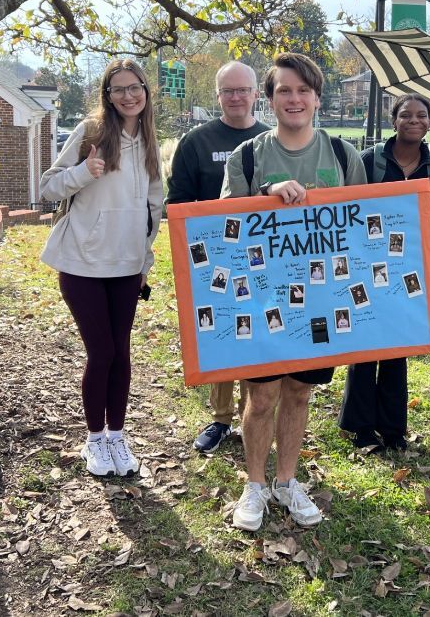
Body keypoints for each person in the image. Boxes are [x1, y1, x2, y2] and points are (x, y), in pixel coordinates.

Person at [222, 52, 367, 531]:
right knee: (261, 397)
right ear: (269, 100)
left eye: (303, 90)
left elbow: (363, 229)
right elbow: (222, 227)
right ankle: (255, 485)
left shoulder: (344, 156)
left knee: (300, 393)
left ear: (317, 98)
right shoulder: (249, 156)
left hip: (321, 301)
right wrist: (265, 196)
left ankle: (287, 481)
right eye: (284, 90)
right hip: (261, 298)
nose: (294, 98)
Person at [40, 58, 163, 478]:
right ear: (107, 96)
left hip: (127, 264)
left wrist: (144, 259)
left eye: (135, 87)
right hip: (82, 261)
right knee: (102, 352)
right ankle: (95, 439)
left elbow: (153, 207)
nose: (129, 96)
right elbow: (47, 187)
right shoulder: (91, 133)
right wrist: (82, 172)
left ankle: (117, 436)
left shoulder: (149, 139)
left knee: (122, 352)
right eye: (119, 89)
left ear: (146, 91)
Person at [167, 61, 269, 455]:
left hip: (264, 257)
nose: (236, 97)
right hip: (215, 257)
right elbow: (178, 203)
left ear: (256, 94)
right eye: (228, 91)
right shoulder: (197, 141)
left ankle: (256, 411)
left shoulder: (270, 139)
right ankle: (222, 418)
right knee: (223, 334)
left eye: (243, 89)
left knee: (259, 331)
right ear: (218, 95)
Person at [338, 93, 430, 452]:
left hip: (408, 267)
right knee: (366, 342)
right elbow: (347, 206)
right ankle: (361, 426)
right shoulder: (369, 161)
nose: (414, 121)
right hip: (365, 263)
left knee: (397, 345)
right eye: (406, 115)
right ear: (393, 120)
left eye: (422, 116)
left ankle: (394, 428)